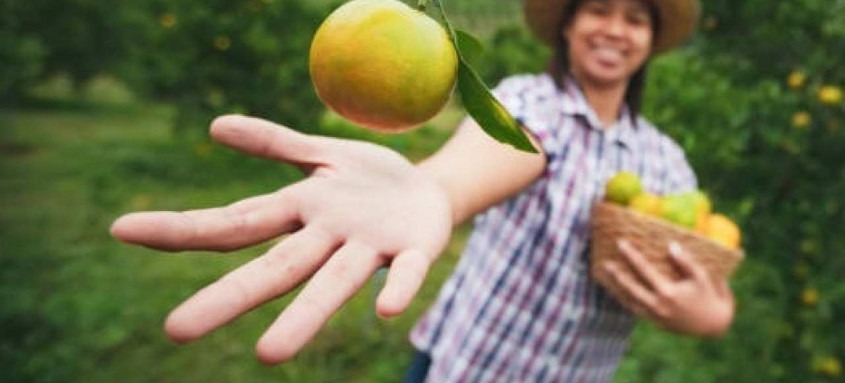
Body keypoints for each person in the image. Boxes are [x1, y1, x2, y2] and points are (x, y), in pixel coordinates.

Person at [110, 0, 735, 381]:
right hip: (465, 367)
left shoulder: (664, 159)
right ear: (568, 26)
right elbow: (507, 151)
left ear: (651, 42)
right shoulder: (524, 102)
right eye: (598, 9)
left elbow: (697, 264)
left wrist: (708, 315)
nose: (614, 29)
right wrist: (434, 190)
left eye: (634, 18)